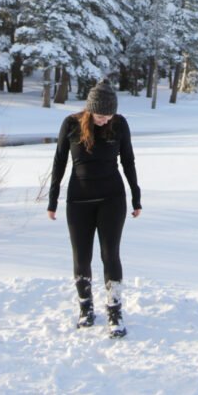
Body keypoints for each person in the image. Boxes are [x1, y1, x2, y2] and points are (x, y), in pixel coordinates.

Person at [47, 79, 142, 336]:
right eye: (100, 116)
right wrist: (52, 199)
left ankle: (114, 310)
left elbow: (129, 161)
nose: (104, 120)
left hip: (112, 199)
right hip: (79, 201)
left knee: (110, 254)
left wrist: (136, 196)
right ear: (90, 111)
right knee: (82, 256)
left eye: (108, 115)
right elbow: (59, 162)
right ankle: (86, 308)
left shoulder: (120, 124)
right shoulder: (71, 124)